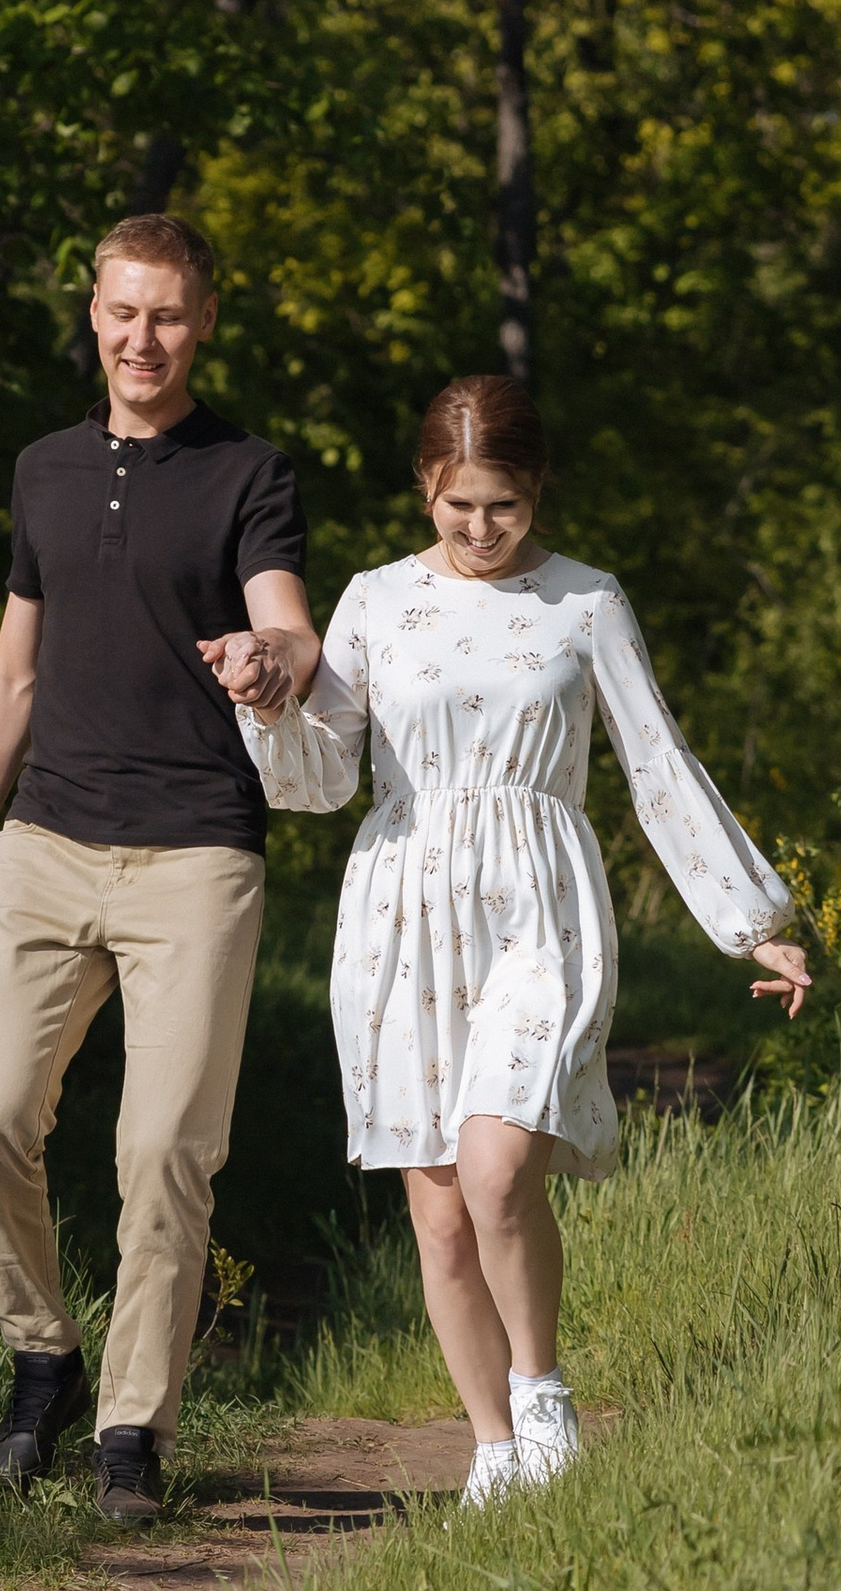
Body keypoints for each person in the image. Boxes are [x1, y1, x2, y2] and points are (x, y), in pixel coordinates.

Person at [237, 374, 811, 1506]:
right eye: (459, 506)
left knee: (498, 1174)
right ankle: (493, 1450)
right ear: (425, 488)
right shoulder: (372, 601)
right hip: (403, 913)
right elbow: (320, 780)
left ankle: (543, 1398)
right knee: (440, 1207)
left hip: (540, 908)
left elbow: (656, 760)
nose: (481, 529)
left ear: (538, 490)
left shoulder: (585, 601)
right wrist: (268, 712)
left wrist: (753, 925)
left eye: (503, 505)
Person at [0, 216, 317, 1526]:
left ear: (204, 323)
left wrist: (270, 664)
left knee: (162, 1150)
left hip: (196, 854)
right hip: (43, 844)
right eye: (122, 312)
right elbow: (12, 677)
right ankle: (42, 1358)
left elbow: (287, 625)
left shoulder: (248, 471)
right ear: (91, 313)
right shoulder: (41, 470)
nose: (142, 338)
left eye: (168, 315)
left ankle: (131, 1432)